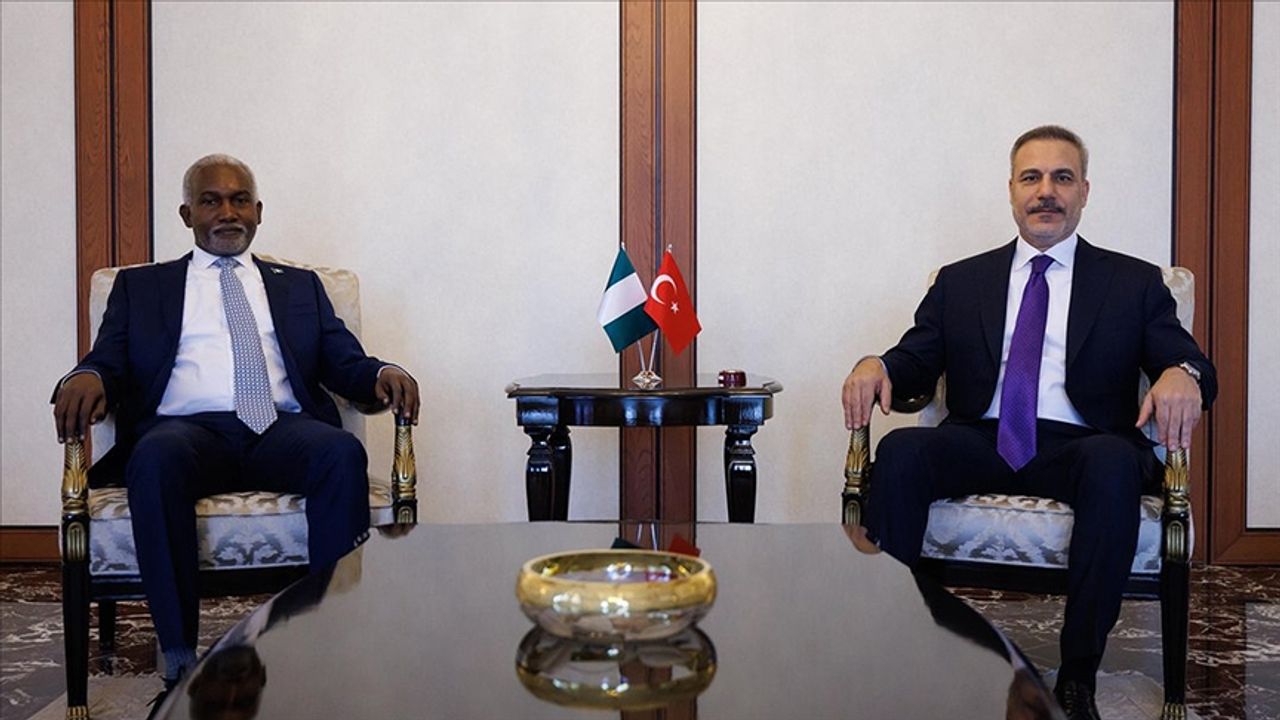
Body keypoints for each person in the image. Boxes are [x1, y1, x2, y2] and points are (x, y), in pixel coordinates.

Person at [840, 126, 1215, 720]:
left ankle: (1077, 678)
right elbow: (916, 359)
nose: (1046, 191)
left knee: (1114, 463)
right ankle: (899, 650)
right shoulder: (962, 280)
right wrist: (877, 365)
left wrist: (1181, 374)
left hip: (1083, 445)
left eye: (1062, 178)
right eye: (1031, 178)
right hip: (983, 438)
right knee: (905, 452)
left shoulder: (1133, 282)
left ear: (1084, 191)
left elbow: (1190, 361)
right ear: (1012, 190)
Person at [50, 154, 420, 695]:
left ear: (258, 211)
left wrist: (384, 372)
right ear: (187, 214)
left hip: (279, 429)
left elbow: (344, 361)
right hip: (186, 432)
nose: (228, 212)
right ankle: (179, 657)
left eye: (239, 200)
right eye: (211, 201)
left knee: (339, 452)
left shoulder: (301, 287)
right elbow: (108, 359)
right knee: (154, 458)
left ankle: (331, 641)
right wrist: (85, 375)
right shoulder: (141, 287)